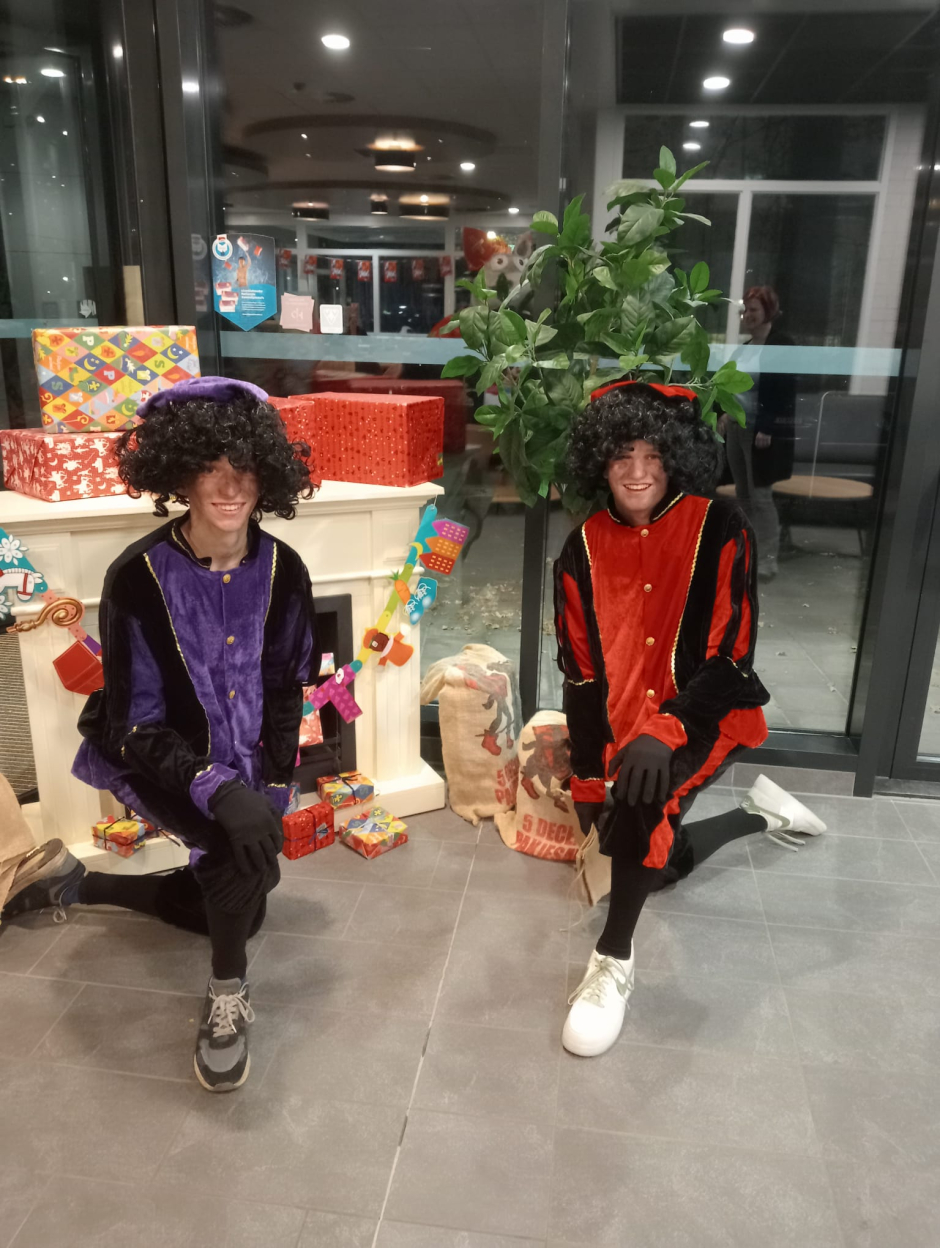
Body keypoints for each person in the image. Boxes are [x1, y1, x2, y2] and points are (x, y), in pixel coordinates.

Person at [2, 376, 319, 1092]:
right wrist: (218, 790)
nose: (229, 486)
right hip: (159, 758)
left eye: (244, 467)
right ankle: (227, 996)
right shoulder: (138, 577)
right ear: (179, 474)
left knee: (241, 901)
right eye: (209, 467)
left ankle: (82, 883)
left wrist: (273, 784)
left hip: (249, 760)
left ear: (267, 474)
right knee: (236, 863)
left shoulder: (285, 569)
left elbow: (284, 689)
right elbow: (135, 723)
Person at [554, 380, 825, 1058]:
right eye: (622, 455)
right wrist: (586, 778)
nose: (638, 471)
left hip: (708, 714)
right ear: (600, 462)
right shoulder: (581, 548)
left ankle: (612, 962)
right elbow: (581, 676)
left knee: (642, 801)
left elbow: (733, 657)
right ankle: (762, 815)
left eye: (653, 454)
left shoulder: (721, 526)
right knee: (653, 857)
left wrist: (666, 727)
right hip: (625, 730)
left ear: (676, 456)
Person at [722, 286, 797, 580]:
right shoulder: (745, 348)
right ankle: (746, 553)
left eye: (753, 310)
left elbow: (784, 393)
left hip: (761, 434)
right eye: (745, 310)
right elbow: (730, 386)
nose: (747, 315)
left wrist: (767, 426)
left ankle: (767, 561)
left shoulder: (781, 345)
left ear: (769, 311)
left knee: (761, 497)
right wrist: (724, 412)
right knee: (743, 495)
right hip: (737, 430)